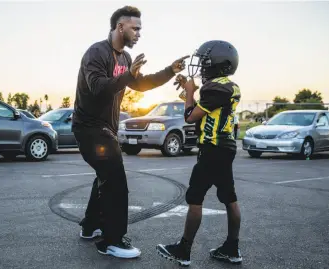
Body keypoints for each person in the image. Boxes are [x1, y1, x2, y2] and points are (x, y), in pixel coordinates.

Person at [71, 5, 188, 259]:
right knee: (115, 180)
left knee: (105, 174)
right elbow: (97, 88)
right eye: (135, 28)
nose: (138, 33)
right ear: (120, 27)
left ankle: (90, 226)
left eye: (140, 29)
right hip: (89, 127)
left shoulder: (124, 59)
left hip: (107, 129)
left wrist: (171, 70)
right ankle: (111, 241)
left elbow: (142, 84)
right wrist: (127, 76)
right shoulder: (96, 53)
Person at [156, 40, 243, 266]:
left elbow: (190, 116)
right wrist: (189, 90)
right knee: (230, 198)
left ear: (217, 64)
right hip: (226, 148)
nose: (202, 68)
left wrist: (189, 92)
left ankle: (183, 250)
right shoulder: (229, 86)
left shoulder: (214, 87)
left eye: (205, 63)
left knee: (195, 198)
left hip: (212, 149)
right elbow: (203, 110)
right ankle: (232, 248)